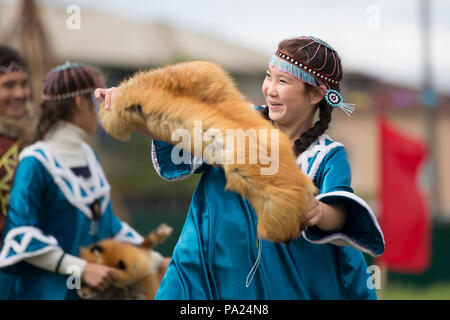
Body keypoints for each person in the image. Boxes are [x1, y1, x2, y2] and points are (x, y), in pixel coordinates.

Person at [95, 36, 385, 299]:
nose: (269, 89)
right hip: (206, 270)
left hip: (281, 284)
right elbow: (175, 129)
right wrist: (130, 108)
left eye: (283, 82)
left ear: (316, 94)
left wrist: (319, 211)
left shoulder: (326, 155)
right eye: (268, 77)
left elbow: (340, 212)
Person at [0, 62, 156, 300]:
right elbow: (21, 235)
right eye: (97, 102)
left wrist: (154, 259)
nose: (103, 110)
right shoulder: (36, 162)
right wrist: (81, 268)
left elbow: (108, 226)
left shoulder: (88, 156)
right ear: (80, 102)